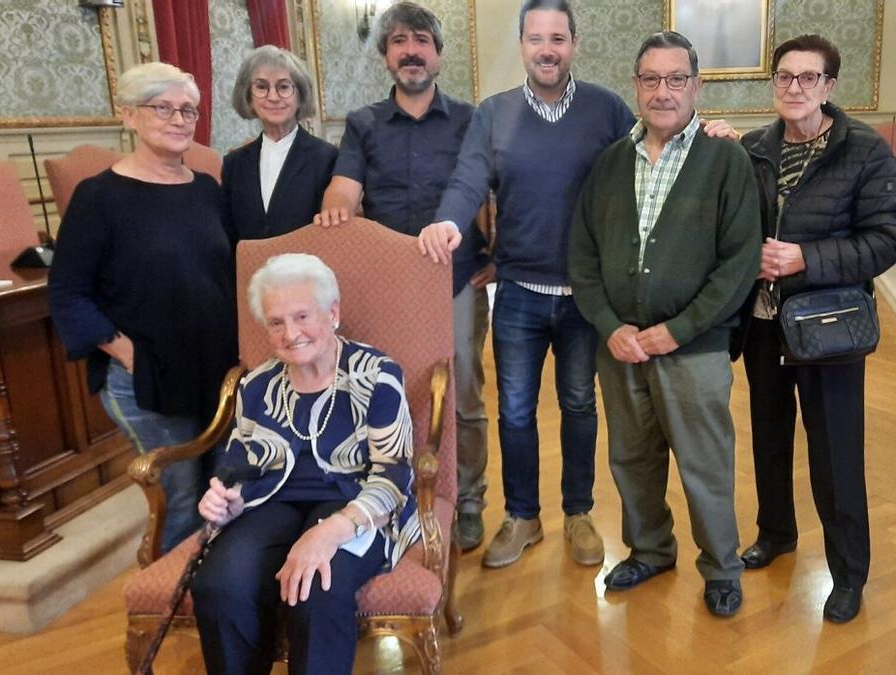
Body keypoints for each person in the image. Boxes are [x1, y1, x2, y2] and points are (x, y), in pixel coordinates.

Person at [416, 0, 637, 570]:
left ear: (574, 44)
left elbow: (648, 165)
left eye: (558, 38)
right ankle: (522, 516)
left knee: (579, 403)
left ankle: (579, 513)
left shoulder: (607, 109)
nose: (547, 49)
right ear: (521, 45)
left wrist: (704, 134)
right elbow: (469, 180)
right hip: (517, 293)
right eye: (537, 38)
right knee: (515, 411)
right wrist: (448, 220)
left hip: (586, 295)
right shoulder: (494, 114)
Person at [570, 31, 760, 617]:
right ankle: (650, 549)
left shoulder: (726, 159)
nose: (663, 91)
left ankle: (721, 567)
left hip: (694, 348)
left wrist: (679, 329)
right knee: (631, 458)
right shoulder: (609, 163)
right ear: (637, 86)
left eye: (676, 78)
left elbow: (740, 262)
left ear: (696, 86)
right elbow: (582, 255)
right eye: (650, 79)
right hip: (622, 348)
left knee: (704, 463)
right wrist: (609, 325)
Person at [734, 34, 896, 624]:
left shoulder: (863, 149)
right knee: (769, 436)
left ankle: (848, 573)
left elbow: (887, 240)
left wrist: (804, 257)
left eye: (809, 78)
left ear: (830, 87)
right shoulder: (756, 147)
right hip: (762, 322)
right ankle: (776, 532)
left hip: (828, 325)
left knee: (835, 453)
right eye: (784, 76)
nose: (794, 88)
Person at [315, 2, 494, 552]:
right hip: (387, 285)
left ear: (439, 54)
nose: (410, 50)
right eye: (398, 41)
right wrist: (336, 212)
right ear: (387, 55)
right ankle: (396, 495)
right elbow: (344, 188)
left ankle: (467, 501)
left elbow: (493, 193)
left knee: (463, 395)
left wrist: (497, 257)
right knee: (387, 396)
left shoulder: (471, 119)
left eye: (421, 40)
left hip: (456, 282)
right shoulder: (363, 124)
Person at [191, 253, 420, 675]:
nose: (290, 333)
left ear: (333, 313)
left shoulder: (377, 376)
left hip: (356, 505)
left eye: (302, 316)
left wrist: (331, 532)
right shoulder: (257, 385)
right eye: (276, 322)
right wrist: (228, 500)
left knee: (318, 588)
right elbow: (241, 465)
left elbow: (393, 474)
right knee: (219, 584)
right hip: (272, 504)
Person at [48, 62, 237, 553]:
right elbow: (68, 292)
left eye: (188, 111)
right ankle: (170, 603)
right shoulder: (99, 197)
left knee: (222, 491)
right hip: (148, 378)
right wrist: (126, 353)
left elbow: (226, 274)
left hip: (216, 372)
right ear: (128, 116)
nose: (179, 120)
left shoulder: (206, 189)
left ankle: (214, 594)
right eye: (163, 108)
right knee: (182, 497)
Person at [222, 45, 338, 242]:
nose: (273, 97)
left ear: (300, 96)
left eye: (284, 87)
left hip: (306, 269)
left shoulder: (326, 157)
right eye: (261, 87)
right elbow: (230, 235)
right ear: (248, 97)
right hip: (250, 271)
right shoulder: (234, 163)